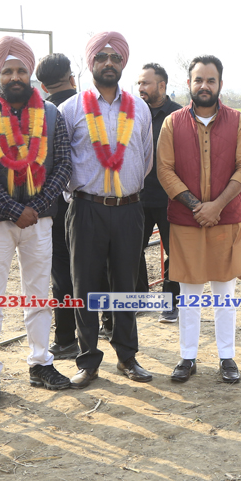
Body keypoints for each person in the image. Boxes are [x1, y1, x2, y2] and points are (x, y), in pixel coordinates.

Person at [0, 37, 73, 405]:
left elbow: (64, 163)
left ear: (31, 74)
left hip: (40, 221)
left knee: (39, 294)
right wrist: (14, 209)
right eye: (7, 71)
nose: (15, 77)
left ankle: (40, 363)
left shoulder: (51, 114)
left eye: (21, 70)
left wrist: (39, 205)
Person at [59, 31, 154, 387]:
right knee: (84, 287)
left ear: (123, 63)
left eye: (116, 57)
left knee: (125, 285)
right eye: (102, 57)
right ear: (91, 63)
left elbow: (146, 158)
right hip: (86, 209)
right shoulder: (70, 109)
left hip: (129, 209)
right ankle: (88, 362)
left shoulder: (140, 108)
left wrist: (127, 191)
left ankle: (127, 357)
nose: (109, 63)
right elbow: (63, 160)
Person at [157, 55, 241, 383]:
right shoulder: (172, 123)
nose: (204, 85)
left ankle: (227, 357)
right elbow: (165, 170)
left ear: (220, 84)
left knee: (225, 293)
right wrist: (197, 205)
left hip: (226, 219)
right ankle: (188, 357)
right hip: (186, 220)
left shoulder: (238, 121)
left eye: (210, 80)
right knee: (189, 293)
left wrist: (216, 206)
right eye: (198, 80)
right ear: (189, 83)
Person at [35, 53, 82, 360]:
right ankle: (106, 325)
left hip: (52, 202)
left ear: (42, 86)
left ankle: (65, 337)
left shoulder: (42, 114)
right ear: (72, 78)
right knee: (95, 267)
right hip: (90, 201)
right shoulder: (88, 107)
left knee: (61, 271)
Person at [137, 62, 182, 323]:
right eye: (139, 83)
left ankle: (170, 303)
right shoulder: (133, 113)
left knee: (174, 254)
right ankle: (140, 298)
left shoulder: (179, 115)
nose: (140, 87)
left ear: (162, 86)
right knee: (132, 251)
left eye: (146, 83)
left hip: (170, 199)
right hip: (138, 198)